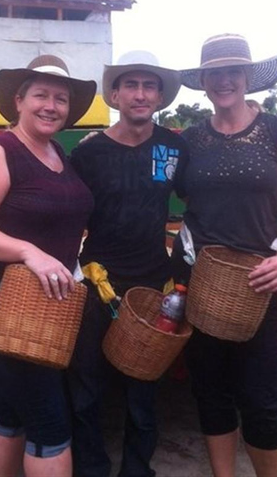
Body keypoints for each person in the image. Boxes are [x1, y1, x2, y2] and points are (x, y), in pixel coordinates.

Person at [173, 33, 277, 477]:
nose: (225, 81)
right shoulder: (190, 140)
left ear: (249, 77)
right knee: (210, 390)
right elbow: (182, 198)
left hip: (262, 282)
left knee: (260, 396)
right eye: (215, 73)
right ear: (204, 81)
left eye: (234, 71)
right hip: (202, 281)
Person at [0, 54, 97, 477]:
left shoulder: (57, 153)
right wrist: (29, 252)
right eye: (40, 95)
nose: (51, 106)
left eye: (60, 99)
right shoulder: (0, 152)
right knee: (49, 421)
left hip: (44, 304)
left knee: (11, 408)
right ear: (19, 100)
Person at [67, 51, 188, 477]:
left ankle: (138, 469)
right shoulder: (88, 152)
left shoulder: (175, 147)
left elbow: (202, 200)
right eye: (131, 86)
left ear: (160, 96)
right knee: (85, 385)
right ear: (115, 95)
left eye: (149, 86)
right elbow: (66, 215)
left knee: (144, 388)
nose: (140, 94)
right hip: (95, 281)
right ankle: (91, 469)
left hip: (153, 282)